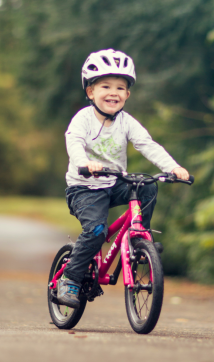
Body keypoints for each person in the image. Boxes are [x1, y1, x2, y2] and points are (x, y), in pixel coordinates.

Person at [58, 49, 189, 308]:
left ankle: (141, 238)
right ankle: (70, 279)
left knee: (147, 186)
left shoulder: (127, 122)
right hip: (84, 187)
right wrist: (84, 163)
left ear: (127, 95)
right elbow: (73, 143)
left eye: (120, 87)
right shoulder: (83, 119)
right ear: (90, 92)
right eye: (105, 86)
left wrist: (173, 167)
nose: (113, 92)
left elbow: (147, 145)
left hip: (114, 183)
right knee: (97, 231)